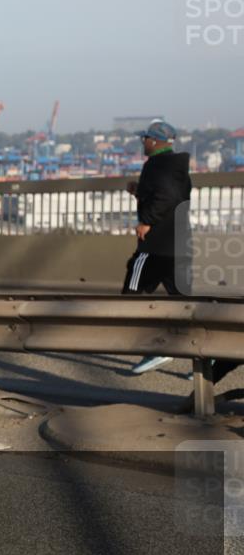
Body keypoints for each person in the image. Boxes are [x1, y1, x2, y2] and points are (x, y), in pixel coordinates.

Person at [122, 119, 192, 375]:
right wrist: (140, 192)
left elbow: (167, 197)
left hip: (155, 247)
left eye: (145, 139)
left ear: (154, 141)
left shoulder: (156, 165)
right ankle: (215, 350)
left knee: (130, 296)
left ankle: (157, 348)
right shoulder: (178, 167)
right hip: (179, 243)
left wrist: (147, 222)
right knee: (185, 302)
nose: (143, 142)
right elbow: (175, 196)